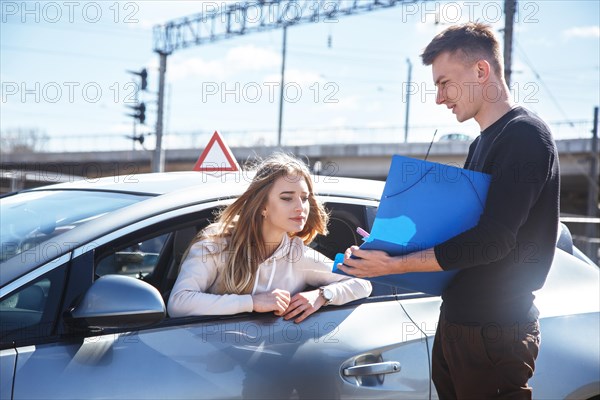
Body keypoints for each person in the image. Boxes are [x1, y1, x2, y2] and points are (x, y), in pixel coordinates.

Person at [338, 22, 559, 399]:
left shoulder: (524, 136)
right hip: (460, 323)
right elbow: (461, 231)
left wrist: (393, 266)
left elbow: (492, 241)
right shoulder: (481, 143)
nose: (440, 98)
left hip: (496, 330)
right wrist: (390, 244)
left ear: (481, 71)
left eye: (444, 83)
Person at [168, 153, 372, 323]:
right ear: (262, 206)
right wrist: (253, 302)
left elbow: (362, 284)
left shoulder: (297, 254)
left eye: (304, 198)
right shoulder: (215, 246)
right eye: (287, 198)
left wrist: (322, 296)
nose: (300, 207)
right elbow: (179, 303)